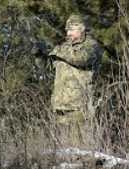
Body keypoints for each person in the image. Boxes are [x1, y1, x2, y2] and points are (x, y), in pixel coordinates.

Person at [36, 14, 102, 147]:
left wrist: (55, 50)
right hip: (61, 106)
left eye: (71, 30)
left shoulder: (91, 46)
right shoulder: (64, 47)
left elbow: (81, 58)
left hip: (80, 106)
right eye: (67, 30)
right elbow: (48, 68)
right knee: (64, 149)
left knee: (80, 149)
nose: (68, 33)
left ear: (81, 29)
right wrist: (39, 56)